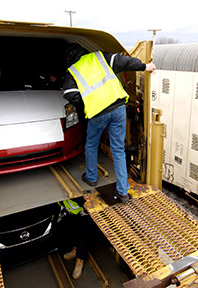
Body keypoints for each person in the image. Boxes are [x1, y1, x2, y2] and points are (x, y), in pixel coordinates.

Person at [63, 43, 156, 203]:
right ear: (83, 50)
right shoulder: (99, 56)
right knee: (118, 149)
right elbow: (124, 62)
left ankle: (91, 178)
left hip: (98, 112)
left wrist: (86, 103)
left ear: (69, 58)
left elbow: (69, 94)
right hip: (118, 107)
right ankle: (123, 192)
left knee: (91, 145)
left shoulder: (73, 71)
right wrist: (144, 66)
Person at [58, 198, 90, 279]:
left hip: (81, 212)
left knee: (82, 236)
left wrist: (86, 209)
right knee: (73, 231)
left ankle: (80, 259)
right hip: (70, 210)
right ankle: (75, 250)